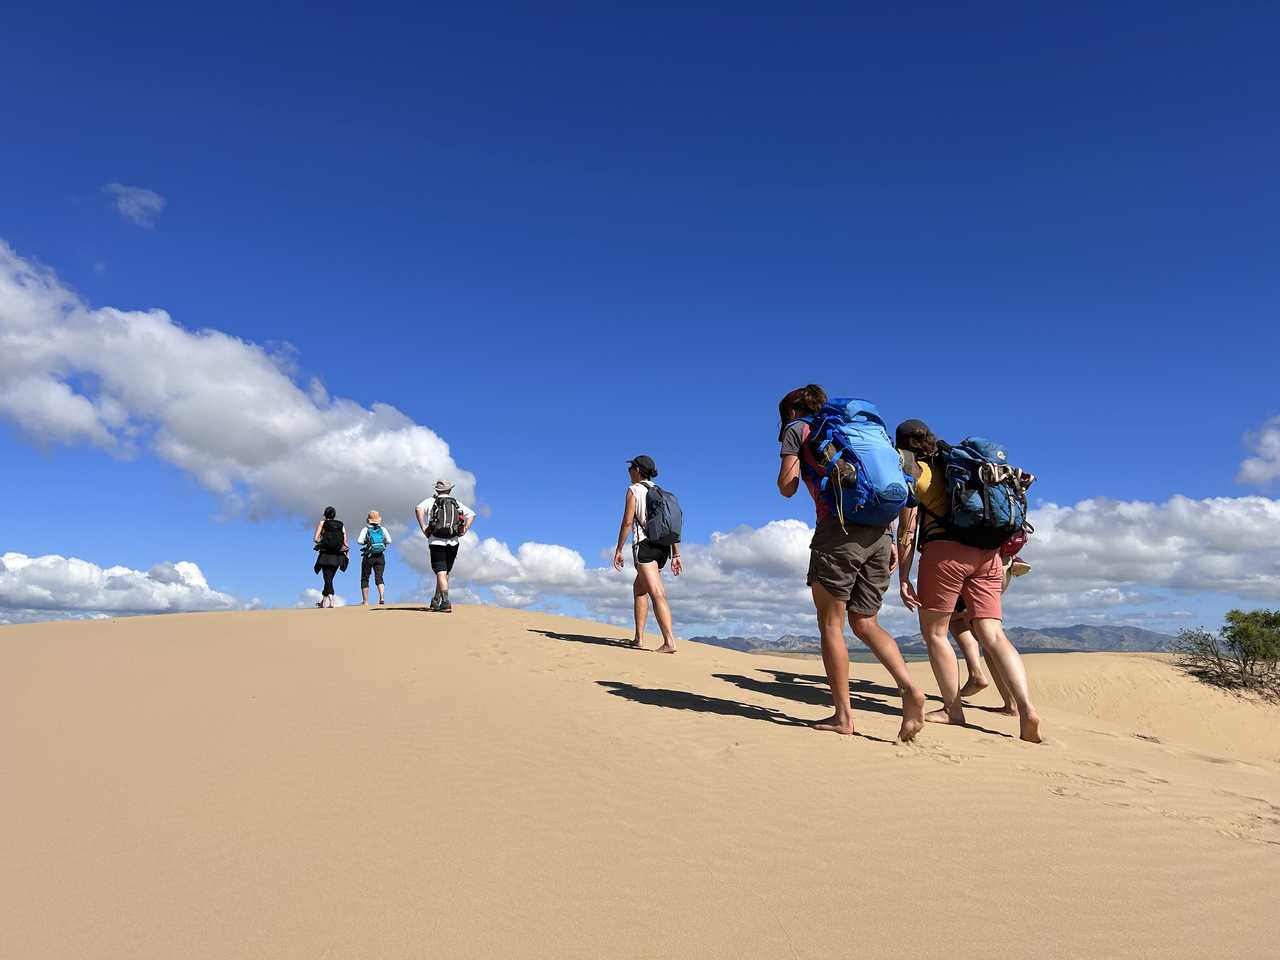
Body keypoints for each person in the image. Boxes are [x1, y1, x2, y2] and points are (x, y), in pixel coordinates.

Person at [777, 385, 926, 741]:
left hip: (837, 530)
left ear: (792, 411)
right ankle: (909, 688)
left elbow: (787, 485)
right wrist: (890, 540)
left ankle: (843, 716)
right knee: (866, 622)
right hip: (878, 534)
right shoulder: (863, 432)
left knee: (832, 624)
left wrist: (792, 455)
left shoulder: (800, 429)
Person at [894, 419, 1042, 743]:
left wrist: (904, 577)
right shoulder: (960, 464)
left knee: (935, 632)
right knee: (993, 635)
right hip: (989, 554)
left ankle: (952, 710)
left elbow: (906, 532)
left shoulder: (918, 470)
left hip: (945, 554)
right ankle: (1027, 709)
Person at [612, 455, 682, 653]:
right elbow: (672, 525)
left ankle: (669, 642)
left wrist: (618, 549)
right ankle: (638, 638)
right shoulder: (661, 492)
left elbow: (627, 522)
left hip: (645, 546)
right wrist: (676, 554)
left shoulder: (634, 490)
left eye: (630, 468)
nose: (629, 472)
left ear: (637, 470)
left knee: (656, 592)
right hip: (662, 548)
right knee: (639, 589)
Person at [415, 480, 475, 613]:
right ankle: (437, 600)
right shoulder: (455, 503)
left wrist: (424, 527)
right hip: (453, 541)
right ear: (450, 490)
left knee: (440, 571)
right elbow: (471, 514)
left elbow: (418, 508)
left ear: (437, 490)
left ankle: (446, 602)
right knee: (445, 571)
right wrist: (465, 529)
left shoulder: (430, 501)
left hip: (436, 540)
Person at [312, 506, 348, 608]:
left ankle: (331, 601)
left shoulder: (322, 523)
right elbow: (345, 542)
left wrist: (323, 542)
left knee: (327, 578)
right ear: (334, 515)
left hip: (325, 555)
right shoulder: (341, 525)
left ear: (325, 514)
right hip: (338, 556)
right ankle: (323, 602)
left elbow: (315, 539)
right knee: (329, 578)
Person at [356, 510, 392, 606]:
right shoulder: (383, 529)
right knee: (379, 577)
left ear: (369, 520)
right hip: (380, 556)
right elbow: (389, 540)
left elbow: (359, 541)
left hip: (368, 556)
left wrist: (366, 542)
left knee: (365, 578)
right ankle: (382, 597)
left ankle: (365, 601)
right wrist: (382, 543)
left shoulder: (365, 529)